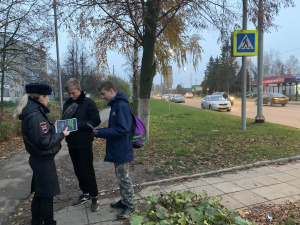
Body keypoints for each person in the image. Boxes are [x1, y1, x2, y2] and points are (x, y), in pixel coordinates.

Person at [14, 82, 70, 225]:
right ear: (42, 97)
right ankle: (48, 222)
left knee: (40, 193)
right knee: (47, 195)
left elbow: (41, 136)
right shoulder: (35, 115)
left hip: (39, 160)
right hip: (43, 161)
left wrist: (54, 128)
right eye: (47, 97)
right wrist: (61, 134)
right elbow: (44, 142)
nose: (48, 100)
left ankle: (36, 221)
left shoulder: (34, 112)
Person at [94, 81, 134, 219]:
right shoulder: (116, 105)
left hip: (122, 149)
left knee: (124, 177)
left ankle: (130, 205)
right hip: (119, 148)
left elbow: (123, 129)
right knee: (121, 177)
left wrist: (100, 133)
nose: (102, 97)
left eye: (103, 94)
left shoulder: (121, 106)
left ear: (111, 90)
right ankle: (124, 201)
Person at [62, 78, 101, 212]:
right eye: (69, 93)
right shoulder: (67, 104)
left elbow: (96, 121)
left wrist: (78, 124)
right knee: (78, 170)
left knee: (87, 169)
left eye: (73, 93)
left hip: (84, 142)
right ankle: (85, 194)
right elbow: (64, 119)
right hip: (72, 142)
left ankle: (94, 195)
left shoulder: (88, 103)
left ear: (79, 89)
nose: (71, 96)